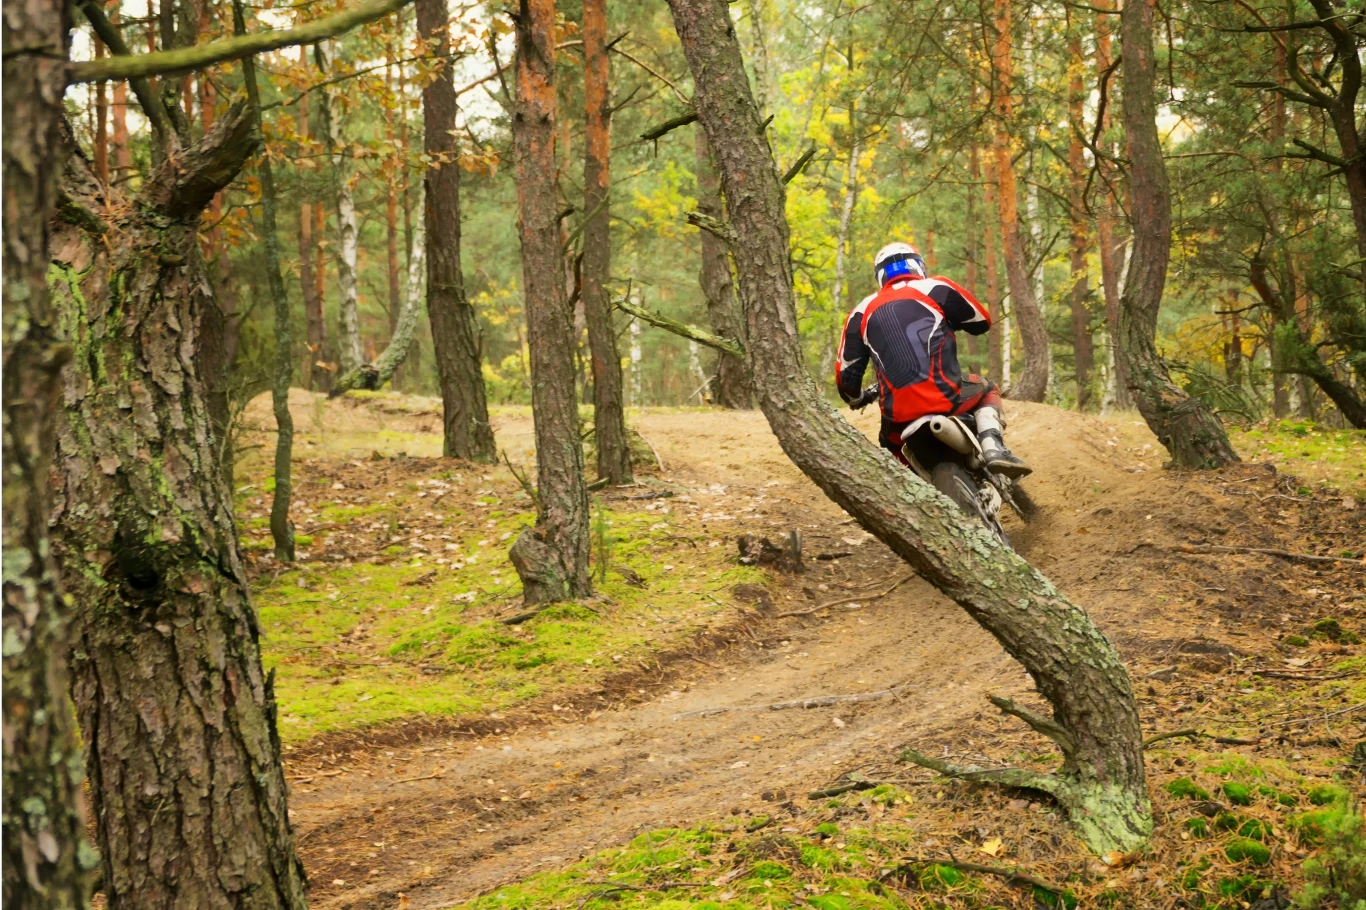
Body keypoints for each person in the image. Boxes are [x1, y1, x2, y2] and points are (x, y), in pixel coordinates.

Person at [834, 241, 1032, 478]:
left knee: (889, 445)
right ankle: (994, 448)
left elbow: (846, 381)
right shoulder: (935, 287)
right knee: (988, 388)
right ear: (918, 266)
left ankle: (917, 496)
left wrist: (858, 398)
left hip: (897, 419)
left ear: (881, 276)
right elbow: (981, 322)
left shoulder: (859, 313)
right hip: (948, 398)